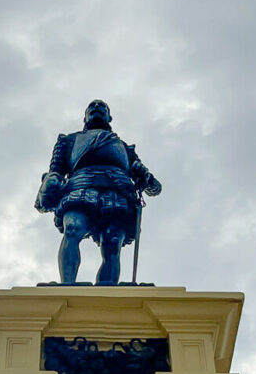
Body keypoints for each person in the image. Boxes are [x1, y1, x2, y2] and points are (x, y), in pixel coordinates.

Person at [35, 100, 162, 284]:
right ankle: (66, 284)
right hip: (80, 188)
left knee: (112, 244)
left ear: (109, 116)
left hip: (118, 193)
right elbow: (56, 169)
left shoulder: (124, 148)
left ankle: (108, 289)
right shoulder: (68, 141)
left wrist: (146, 177)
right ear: (84, 117)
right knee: (72, 228)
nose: (96, 108)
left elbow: (154, 188)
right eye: (92, 107)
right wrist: (50, 183)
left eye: (102, 107)